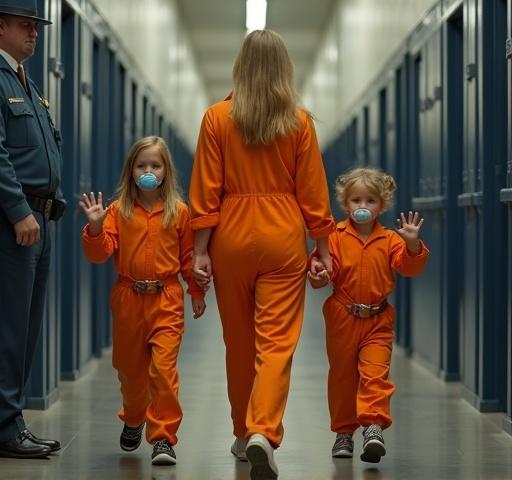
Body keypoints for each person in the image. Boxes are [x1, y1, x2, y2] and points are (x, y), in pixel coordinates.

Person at [189, 29, 335, 479]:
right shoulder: (299, 122)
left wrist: (199, 251)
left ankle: (240, 431)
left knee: (239, 342)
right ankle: (262, 431)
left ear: (240, 67)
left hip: (230, 235)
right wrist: (324, 247)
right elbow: (312, 192)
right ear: (284, 70)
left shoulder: (217, 118)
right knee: (276, 344)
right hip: (282, 234)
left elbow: (205, 191)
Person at [80, 136, 206, 465]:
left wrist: (195, 290)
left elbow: (190, 256)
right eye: (141, 165)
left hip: (166, 298)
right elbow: (100, 253)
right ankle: (134, 416)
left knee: (163, 371)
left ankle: (163, 437)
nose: (148, 170)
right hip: (128, 299)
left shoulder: (179, 212)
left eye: (155, 165)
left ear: (166, 171)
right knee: (131, 372)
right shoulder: (117, 211)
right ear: (131, 171)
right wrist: (95, 229)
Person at [308, 166, 429, 463]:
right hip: (342, 316)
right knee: (342, 378)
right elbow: (320, 271)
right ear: (345, 204)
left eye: (370, 201)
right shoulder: (333, 236)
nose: (363, 207)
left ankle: (373, 426)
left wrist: (412, 243)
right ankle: (344, 433)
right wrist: (319, 273)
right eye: (356, 201)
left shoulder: (390, 239)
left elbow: (409, 266)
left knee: (375, 374)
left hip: (378, 319)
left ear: (382, 205)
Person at [0, 0, 66, 459]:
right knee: (9, 329)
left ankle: (11, 420)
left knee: (26, 329)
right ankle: (6, 427)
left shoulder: (26, 82)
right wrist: (19, 209)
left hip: (39, 223)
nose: (33, 34)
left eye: (36, 27)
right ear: (0, 25)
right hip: (14, 223)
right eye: (25, 24)